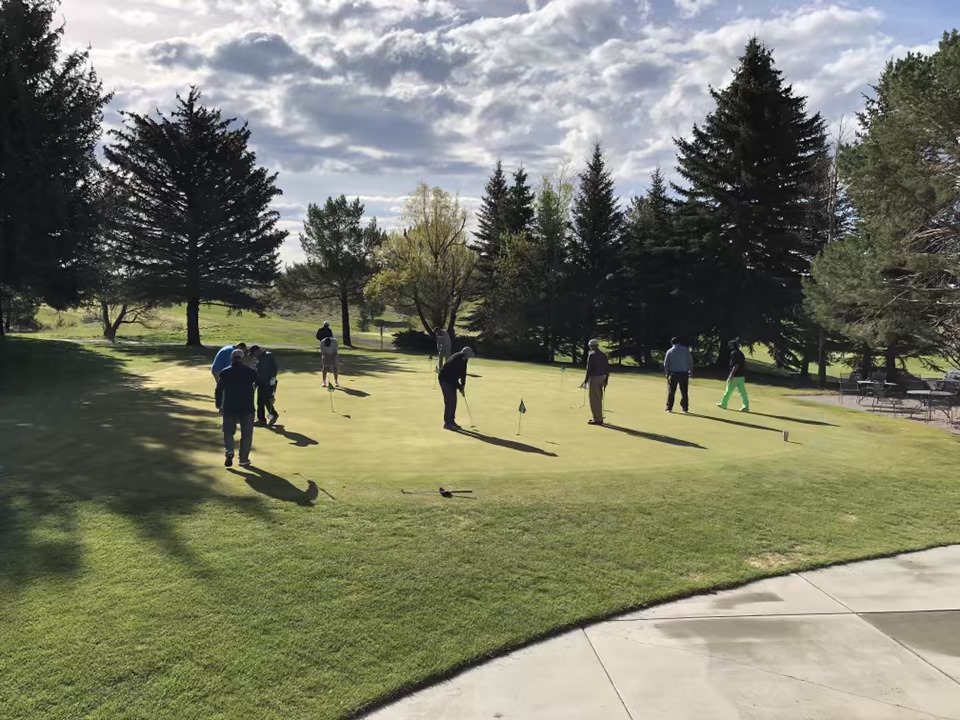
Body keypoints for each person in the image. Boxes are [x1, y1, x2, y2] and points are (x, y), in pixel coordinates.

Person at [218, 348, 258, 467]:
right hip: (247, 407)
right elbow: (261, 383)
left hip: (230, 407)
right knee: (246, 434)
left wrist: (218, 403)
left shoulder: (225, 372)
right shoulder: (250, 372)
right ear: (242, 359)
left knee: (228, 432)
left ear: (232, 359)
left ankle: (229, 451)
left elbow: (219, 389)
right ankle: (243, 459)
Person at [438, 346, 475, 430]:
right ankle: (448, 423)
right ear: (465, 355)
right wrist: (459, 387)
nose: (468, 358)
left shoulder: (464, 359)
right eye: (468, 356)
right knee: (450, 401)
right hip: (445, 380)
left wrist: (463, 385)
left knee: (453, 402)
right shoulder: (456, 360)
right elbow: (453, 377)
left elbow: (463, 372)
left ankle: (451, 421)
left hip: (451, 380)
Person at [211, 341, 246, 410]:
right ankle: (223, 406)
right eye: (241, 350)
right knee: (224, 387)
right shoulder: (231, 351)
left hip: (217, 369)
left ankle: (220, 405)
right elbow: (229, 366)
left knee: (221, 387)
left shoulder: (230, 348)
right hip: (219, 370)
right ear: (239, 347)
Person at [250, 345, 279, 427]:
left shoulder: (268, 356)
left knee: (264, 401)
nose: (254, 356)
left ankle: (269, 417)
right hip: (261, 382)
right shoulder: (259, 358)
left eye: (254, 353)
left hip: (268, 383)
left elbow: (274, 369)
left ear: (257, 351)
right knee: (261, 401)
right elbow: (258, 371)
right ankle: (263, 419)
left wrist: (272, 380)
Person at [581, 338, 609, 425]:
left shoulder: (592, 354)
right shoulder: (603, 355)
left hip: (595, 378)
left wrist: (586, 380)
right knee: (599, 398)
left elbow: (589, 369)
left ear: (591, 346)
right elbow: (607, 368)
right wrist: (606, 380)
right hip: (602, 377)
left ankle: (597, 419)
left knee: (594, 399)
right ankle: (599, 417)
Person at [718, 339, 750, 412]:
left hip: (735, 376)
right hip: (741, 376)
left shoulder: (734, 353)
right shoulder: (741, 353)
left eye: (730, 345)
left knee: (728, 391)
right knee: (743, 392)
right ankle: (746, 406)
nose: (730, 346)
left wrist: (731, 375)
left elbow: (736, 365)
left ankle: (723, 404)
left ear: (733, 346)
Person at [663, 337, 693, 413]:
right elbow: (690, 361)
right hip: (684, 374)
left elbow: (666, 364)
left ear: (671, 343)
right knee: (684, 392)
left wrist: (667, 373)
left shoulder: (670, 351)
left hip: (674, 374)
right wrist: (690, 371)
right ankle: (685, 408)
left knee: (671, 391)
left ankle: (669, 408)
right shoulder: (685, 350)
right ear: (679, 342)